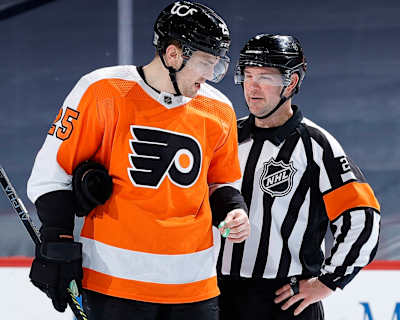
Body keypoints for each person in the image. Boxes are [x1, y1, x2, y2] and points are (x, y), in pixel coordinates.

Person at [26, 2, 250, 319]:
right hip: (114, 284)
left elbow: (221, 181)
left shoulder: (219, 109)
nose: (211, 75)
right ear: (174, 55)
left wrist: (233, 212)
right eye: (205, 63)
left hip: (194, 286)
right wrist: (57, 239)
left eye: (217, 65)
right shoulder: (104, 91)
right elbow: (52, 174)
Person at [217, 34, 381, 320]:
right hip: (219, 295)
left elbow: (363, 218)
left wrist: (328, 282)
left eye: (265, 77)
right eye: (248, 75)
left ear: (291, 83)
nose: (252, 86)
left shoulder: (317, 145)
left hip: (285, 302)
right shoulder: (225, 135)